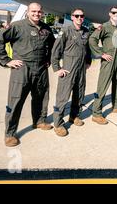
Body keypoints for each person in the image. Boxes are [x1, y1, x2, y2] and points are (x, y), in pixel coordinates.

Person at [0, 3, 55, 147]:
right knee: (16, 100)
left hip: (41, 69)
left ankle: (39, 121)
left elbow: (53, 46)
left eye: (39, 11)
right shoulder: (17, 26)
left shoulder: (46, 28)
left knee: (41, 96)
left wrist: (49, 60)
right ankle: (10, 134)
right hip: (22, 69)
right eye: (33, 11)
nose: (36, 14)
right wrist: (7, 61)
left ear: (42, 13)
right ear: (27, 12)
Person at [51, 8, 92, 137]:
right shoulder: (66, 31)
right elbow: (56, 50)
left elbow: (88, 49)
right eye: (77, 16)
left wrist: (88, 61)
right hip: (68, 68)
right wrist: (57, 68)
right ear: (72, 17)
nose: (79, 18)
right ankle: (58, 123)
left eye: (81, 16)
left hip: (81, 69)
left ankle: (74, 116)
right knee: (63, 96)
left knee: (79, 93)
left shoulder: (86, 32)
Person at [89, 6, 117, 125]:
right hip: (108, 60)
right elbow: (92, 39)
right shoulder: (104, 26)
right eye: (113, 12)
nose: (116, 14)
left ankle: (116, 105)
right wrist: (101, 54)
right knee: (103, 85)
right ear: (110, 14)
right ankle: (96, 113)